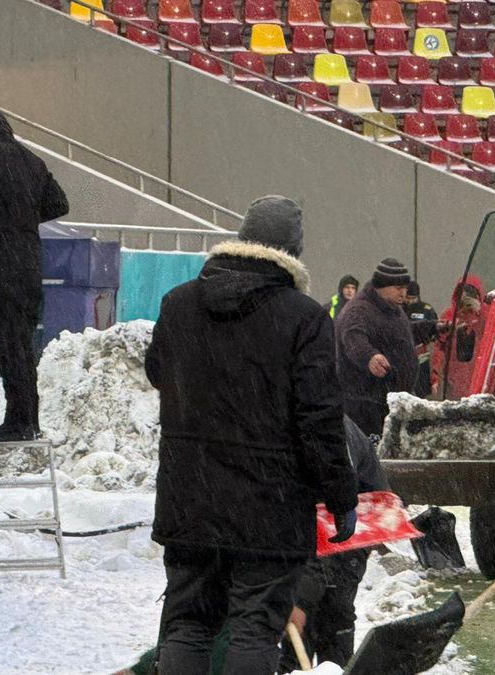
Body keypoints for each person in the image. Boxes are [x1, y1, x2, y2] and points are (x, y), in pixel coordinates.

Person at [145, 195, 358, 674]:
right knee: (254, 627)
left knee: (188, 624)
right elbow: (320, 417)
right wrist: (341, 495)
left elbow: (159, 371)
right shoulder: (302, 317)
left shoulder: (179, 304)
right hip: (269, 504)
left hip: (190, 496)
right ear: (294, 250)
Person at [0, 109, 69, 442]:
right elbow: (59, 203)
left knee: (6, 343)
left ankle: (20, 420)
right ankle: (27, 418)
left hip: (3, 264)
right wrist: (22, 214)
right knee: (20, 343)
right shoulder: (32, 160)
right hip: (29, 262)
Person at [280, 416, 389, 672]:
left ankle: (329, 666)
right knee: (305, 614)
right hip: (319, 517)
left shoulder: (326, 430)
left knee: (331, 611)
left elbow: (322, 536)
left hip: (352, 519)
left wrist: (300, 602)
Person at [335, 258, 438, 436]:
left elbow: (400, 338)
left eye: (405, 288)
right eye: (398, 288)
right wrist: (369, 357)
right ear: (381, 286)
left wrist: (433, 328)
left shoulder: (392, 309)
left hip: (390, 403)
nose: (403, 294)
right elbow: (352, 337)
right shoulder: (359, 310)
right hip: (366, 407)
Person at [430, 276, 485, 399]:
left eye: (470, 293)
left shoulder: (485, 317)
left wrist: (479, 312)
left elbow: (490, 337)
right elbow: (439, 348)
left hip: (480, 378)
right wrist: (435, 378)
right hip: (453, 382)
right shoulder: (450, 316)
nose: (465, 297)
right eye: (462, 293)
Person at [404, 281, 438, 398]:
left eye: (413, 298)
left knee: (421, 391)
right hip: (404, 355)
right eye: (408, 298)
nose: (410, 301)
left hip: (422, 355)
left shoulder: (426, 309)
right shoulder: (399, 310)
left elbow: (435, 331)